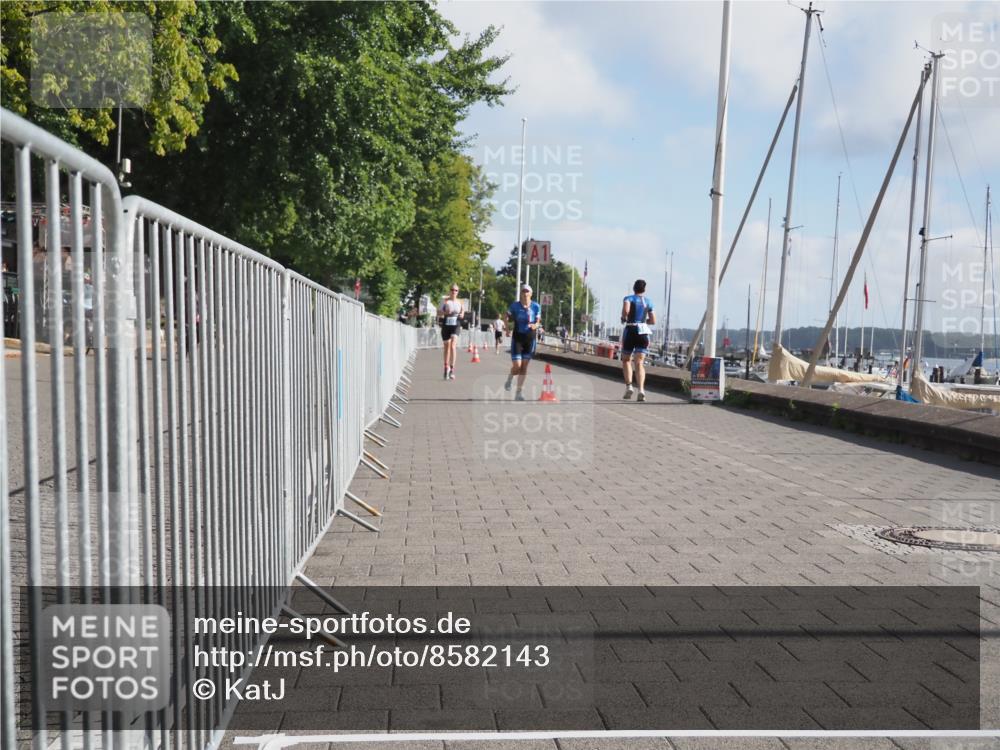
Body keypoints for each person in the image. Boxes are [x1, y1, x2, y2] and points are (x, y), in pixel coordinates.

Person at [504, 284, 542, 400]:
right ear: (521, 293)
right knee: (517, 366)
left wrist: (535, 325)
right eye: (523, 291)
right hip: (517, 338)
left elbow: (538, 321)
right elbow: (505, 316)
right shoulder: (515, 306)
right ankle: (510, 377)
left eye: (527, 291)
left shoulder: (536, 306)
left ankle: (518, 392)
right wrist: (507, 329)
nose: (525, 293)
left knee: (524, 367)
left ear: (531, 294)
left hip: (529, 339)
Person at [621, 279, 656, 402]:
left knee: (626, 359)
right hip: (643, 331)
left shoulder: (628, 298)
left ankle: (629, 386)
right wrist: (643, 321)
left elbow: (626, 310)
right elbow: (653, 321)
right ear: (644, 289)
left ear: (634, 288)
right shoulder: (649, 302)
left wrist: (623, 317)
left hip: (630, 330)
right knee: (639, 362)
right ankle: (641, 390)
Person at [438, 284, 463, 380]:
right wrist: (445, 313)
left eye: (456, 290)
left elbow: (463, 312)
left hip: (456, 324)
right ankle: (446, 367)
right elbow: (438, 312)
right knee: (446, 347)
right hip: (446, 324)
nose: (454, 292)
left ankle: (452, 370)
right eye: (452, 290)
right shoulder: (444, 301)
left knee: (453, 346)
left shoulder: (460, 302)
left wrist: (461, 314)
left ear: (458, 292)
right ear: (449, 291)